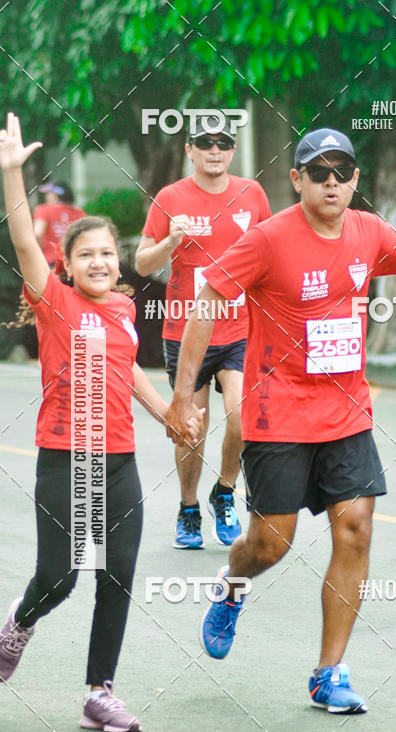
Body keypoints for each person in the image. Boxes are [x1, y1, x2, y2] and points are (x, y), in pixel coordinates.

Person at [166, 127, 396, 715]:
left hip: (346, 412)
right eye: (319, 172)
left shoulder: (369, 231)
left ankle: (328, 674)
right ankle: (232, 585)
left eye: (342, 172)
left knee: (355, 529)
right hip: (277, 413)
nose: (332, 182)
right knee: (270, 544)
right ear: (297, 179)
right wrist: (184, 396)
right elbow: (208, 298)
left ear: (355, 180)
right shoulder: (268, 239)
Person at [0, 113, 201, 732]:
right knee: (59, 576)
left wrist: (167, 413)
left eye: (107, 254)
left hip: (119, 461)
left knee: (117, 574)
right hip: (64, 459)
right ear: (66, 264)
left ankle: (99, 693)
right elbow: (25, 243)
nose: (98, 262)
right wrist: (12, 175)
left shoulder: (121, 309)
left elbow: (128, 370)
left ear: (119, 263)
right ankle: (18, 625)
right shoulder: (54, 301)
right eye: (85, 254)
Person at [136, 117, 271, 550]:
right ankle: (189, 508)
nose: (214, 150)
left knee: (243, 417)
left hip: (240, 328)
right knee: (191, 427)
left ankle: (224, 492)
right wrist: (169, 244)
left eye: (223, 143)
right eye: (205, 143)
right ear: (189, 150)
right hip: (186, 332)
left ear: (233, 151)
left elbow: (272, 254)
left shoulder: (252, 194)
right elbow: (141, 263)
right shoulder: (170, 197)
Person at [33, 180, 86, 266]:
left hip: (51, 260)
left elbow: (38, 233)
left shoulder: (43, 210)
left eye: (49, 193)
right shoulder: (79, 213)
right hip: (74, 261)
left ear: (55, 195)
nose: (47, 197)